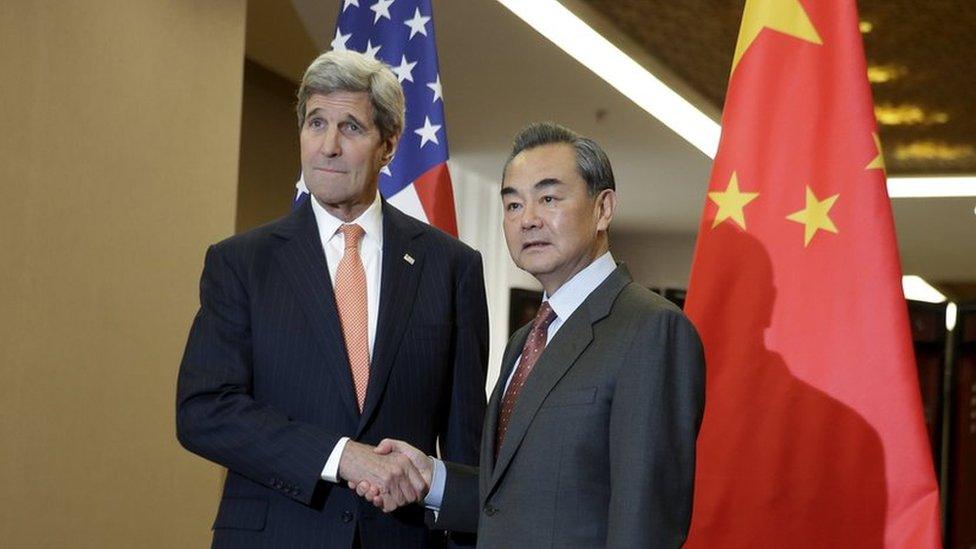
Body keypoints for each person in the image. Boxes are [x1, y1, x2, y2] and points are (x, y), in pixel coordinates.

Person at [175, 50, 488, 548]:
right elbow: (204, 411)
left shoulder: (452, 268)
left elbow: (465, 447)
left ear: (388, 146)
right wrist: (341, 455)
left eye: (350, 127)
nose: (328, 146)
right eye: (316, 123)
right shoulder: (241, 263)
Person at [356, 122, 706, 548]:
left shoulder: (651, 329)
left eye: (549, 198)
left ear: (604, 208)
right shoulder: (524, 341)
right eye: (513, 205)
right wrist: (433, 478)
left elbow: (644, 521)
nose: (528, 220)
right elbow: (512, 500)